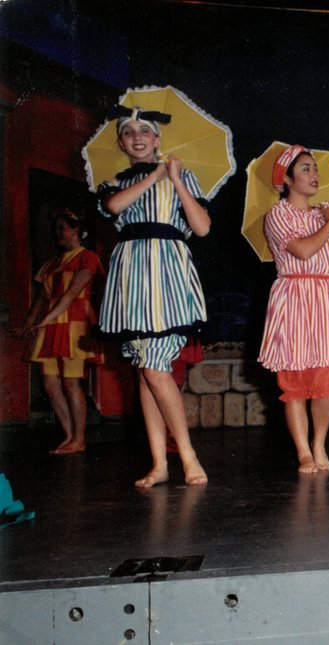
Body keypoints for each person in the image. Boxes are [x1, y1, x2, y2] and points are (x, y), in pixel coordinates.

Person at [95, 106, 209, 487]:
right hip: (131, 277)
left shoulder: (183, 177)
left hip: (168, 275)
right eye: (129, 132)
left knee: (155, 367)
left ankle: (189, 456)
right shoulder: (114, 183)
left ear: (158, 139)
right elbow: (114, 207)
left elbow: (202, 227)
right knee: (145, 372)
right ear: (121, 142)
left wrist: (173, 180)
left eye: (145, 130)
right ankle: (160, 463)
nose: (138, 137)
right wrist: (156, 174)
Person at [258, 145, 329, 472]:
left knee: (327, 377)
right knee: (294, 380)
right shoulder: (277, 214)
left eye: (314, 168)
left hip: (328, 296)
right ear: (286, 179)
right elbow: (303, 251)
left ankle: (319, 444)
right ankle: (303, 451)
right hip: (294, 295)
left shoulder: (324, 215)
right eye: (304, 169)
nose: (314, 175)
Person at [17, 209, 104, 454]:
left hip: (75, 323)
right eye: (56, 229)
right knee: (51, 385)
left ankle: (79, 438)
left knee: (70, 383)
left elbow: (72, 293)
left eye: (62, 228)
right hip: (52, 324)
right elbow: (42, 297)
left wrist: (47, 318)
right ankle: (68, 437)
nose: (58, 234)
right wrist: (30, 321)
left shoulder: (87, 257)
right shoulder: (52, 264)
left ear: (76, 230)